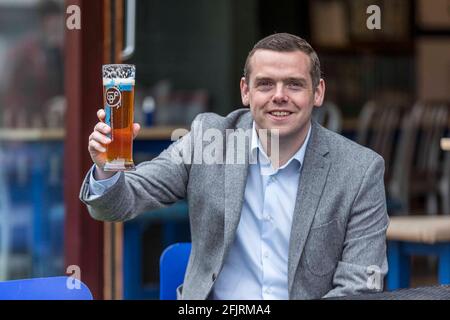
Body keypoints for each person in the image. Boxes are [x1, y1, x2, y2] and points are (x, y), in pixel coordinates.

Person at [80, 33, 389, 299]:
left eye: (294, 84)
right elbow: (116, 205)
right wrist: (107, 169)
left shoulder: (359, 170)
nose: (279, 96)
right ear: (245, 91)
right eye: (265, 84)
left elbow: (360, 286)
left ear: (317, 92)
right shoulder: (209, 141)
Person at [2, 0, 64, 128]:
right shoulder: (25, 53)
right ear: (42, 23)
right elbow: (13, 92)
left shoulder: (64, 52)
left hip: (57, 125)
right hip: (28, 125)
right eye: (50, 22)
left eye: (57, 24)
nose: (54, 27)